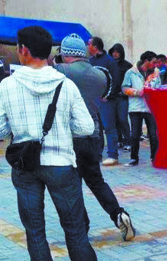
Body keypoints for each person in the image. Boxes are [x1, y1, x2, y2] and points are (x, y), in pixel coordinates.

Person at [0, 26, 116, 261]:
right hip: (61, 166)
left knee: (35, 231)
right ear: (49, 52)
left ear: (24, 50)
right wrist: (60, 128)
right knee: (74, 228)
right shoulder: (64, 85)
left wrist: (19, 128)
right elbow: (85, 126)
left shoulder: (8, 85)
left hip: (25, 165)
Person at [55, 33, 136, 242]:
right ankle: (119, 214)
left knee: (73, 184)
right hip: (93, 134)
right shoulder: (100, 74)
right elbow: (104, 97)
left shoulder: (60, 72)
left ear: (65, 53)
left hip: (70, 137)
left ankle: (82, 225)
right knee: (96, 181)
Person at [88, 36, 122, 166]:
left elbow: (115, 81)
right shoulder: (90, 62)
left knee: (109, 127)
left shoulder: (109, 62)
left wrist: (107, 96)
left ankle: (112, 155)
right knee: (96, 129)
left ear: (95, 47)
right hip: (93, 101)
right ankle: (97, 154)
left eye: (89, 45)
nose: (88, 47)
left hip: (106, 101)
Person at [122, 51, 160, 167]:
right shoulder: (131, 72)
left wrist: (154, 92)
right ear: (146, 61)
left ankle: (155, 158)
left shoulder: (156, 73)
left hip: (150, 108)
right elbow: (124, 88)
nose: (155, 65)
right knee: (135, 134)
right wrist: (137, 92)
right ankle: (134, 158)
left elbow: (158, 87)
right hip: (135, 107)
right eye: (153, 62)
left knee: (153, 135)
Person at [107, 43, 132, 151]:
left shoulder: (127, 66)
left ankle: (128, 141)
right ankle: (120, 140)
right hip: (112, 96)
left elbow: (131, 80)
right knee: (115, 119)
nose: (115, 54)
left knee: (123, 119)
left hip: (122, 97)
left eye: (117, 52)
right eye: (113, 52)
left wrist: (126, 91)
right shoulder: (109, 64)